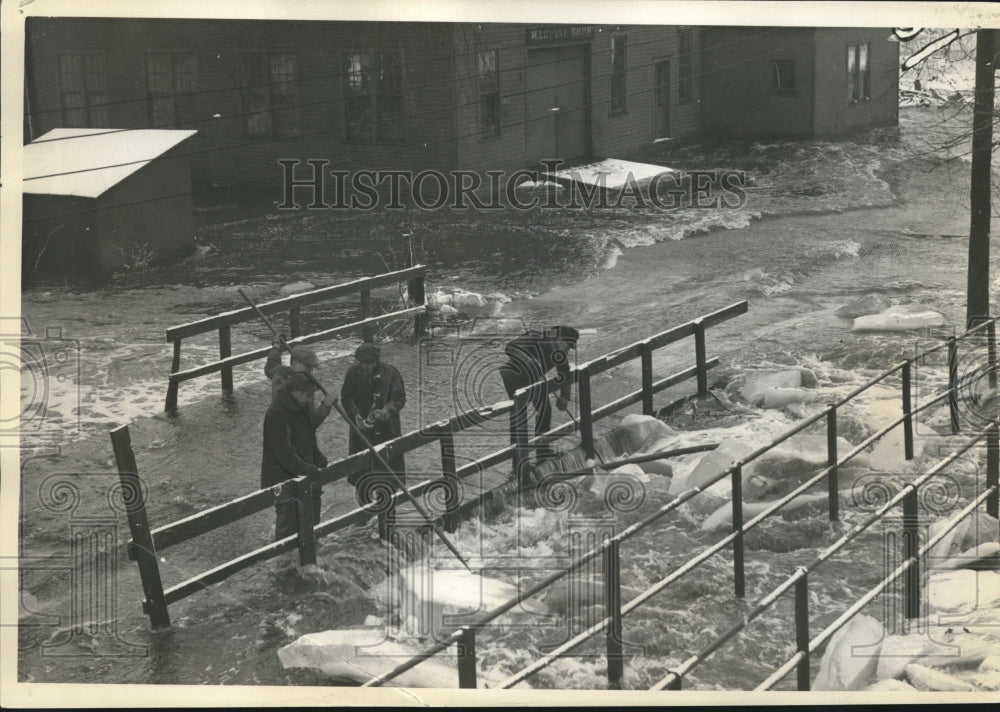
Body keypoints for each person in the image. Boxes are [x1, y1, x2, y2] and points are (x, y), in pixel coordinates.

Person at [340, 343, 406, 533]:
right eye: (363, 363)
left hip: (387, 432)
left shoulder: (390, 373)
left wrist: (388, 410)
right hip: (362, 433)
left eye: (370, 363)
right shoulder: (353, 373)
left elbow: (399, 398)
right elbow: (346, 398)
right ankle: (365, 519)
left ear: (377, 361)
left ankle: (388, 520)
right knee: (362, 476)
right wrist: (356, 416)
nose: (367, 367)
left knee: (387, 476)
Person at [260, 371, 329, 541]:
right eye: (307, 395)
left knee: (311, 519)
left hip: (304, 471)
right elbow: (284, 453)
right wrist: (309, 469)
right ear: (294, 391)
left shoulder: (301, 406)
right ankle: (283, 561)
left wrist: (317, 457)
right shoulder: (277, 413)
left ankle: (310, 552)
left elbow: (309, 437)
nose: (309, 400)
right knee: (288, 523)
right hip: (283, 477)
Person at [500, 325, 579, 461]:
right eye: (567, 345)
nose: (567, 350)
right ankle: (518, 457)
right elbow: (510, 347)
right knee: (519, 416)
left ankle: (542, 451)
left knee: (545, 411)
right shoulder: (536, 337)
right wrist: (528, 361)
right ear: (558, 338)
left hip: (533, 379)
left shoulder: (560, 354)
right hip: (513, 375)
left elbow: (565, 374)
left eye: (570, 348)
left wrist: (564, 397)